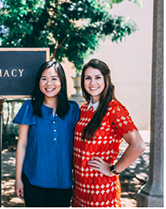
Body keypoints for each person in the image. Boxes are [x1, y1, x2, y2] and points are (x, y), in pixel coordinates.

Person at [72, 59, 145, 207]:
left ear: (106, 80)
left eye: (97, 77)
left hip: (101, 190)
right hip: (80, 189)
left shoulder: (114, 110)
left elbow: (138, 145)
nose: (92, 83)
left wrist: (113, 169)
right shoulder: (84, 109)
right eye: (88, 78)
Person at [13, 61, 80, 207]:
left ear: (62, 82)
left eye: (54, 78)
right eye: (44, 78)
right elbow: (22, 144)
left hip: (63, 181)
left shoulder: (73, 110)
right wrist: (18, 179)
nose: (49, 83)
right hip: (33, 179)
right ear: (38, 82)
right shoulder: (29, 107)